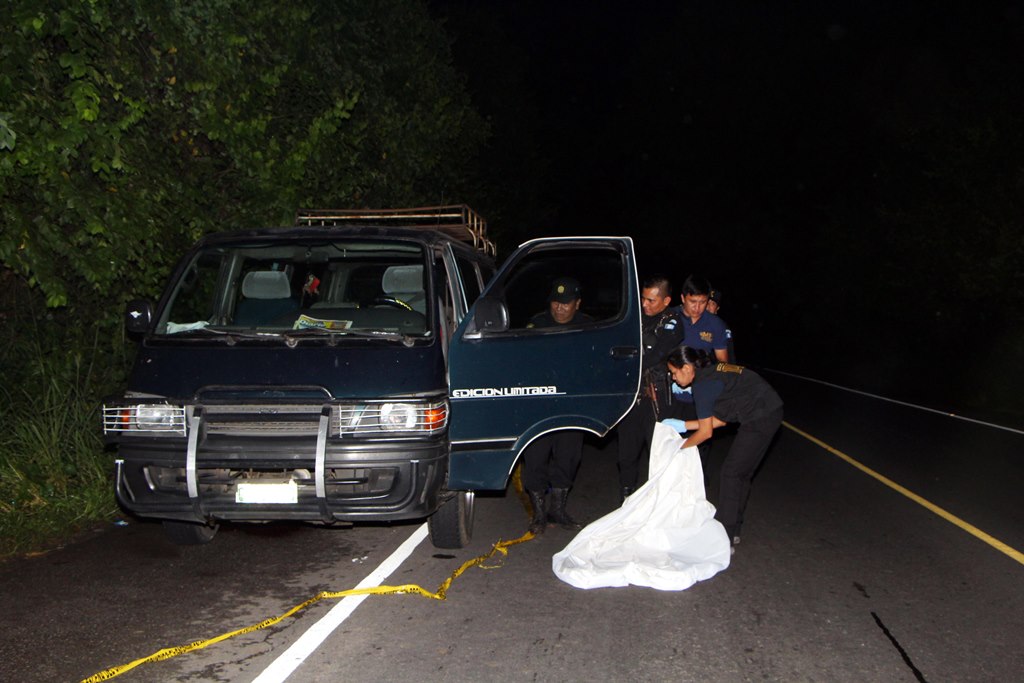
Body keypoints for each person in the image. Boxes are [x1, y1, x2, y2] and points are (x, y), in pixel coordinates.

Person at [663, 346, 783, 550]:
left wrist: (678, 447)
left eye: (674, 373)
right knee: (741, 474)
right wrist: (683, 425)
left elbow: (705, 433)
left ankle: (724, 538)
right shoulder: (711, 372)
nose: (674, 379)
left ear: (686, 368)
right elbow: (718, 421)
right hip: (770, 410)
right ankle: (734, 529)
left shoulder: (703, 385)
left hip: (760, 416)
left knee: (731, 473)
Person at [522, 276, 592, 534]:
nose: (559, 308)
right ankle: (539, 514)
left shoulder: (589, 327)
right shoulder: (536, 324)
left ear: (577, 304)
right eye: (555, 302)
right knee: (536, 457)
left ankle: (558, 510)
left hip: (572, 406)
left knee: (568, 456)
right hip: (540, 406)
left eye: (566, 303)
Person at [615, 275, 684, 501]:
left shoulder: (672, 320)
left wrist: (630, 360)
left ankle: (658, 501)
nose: (645, 304)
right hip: (632, 396)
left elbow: (657, 353)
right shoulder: (635, 316)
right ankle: (627, 498)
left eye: (651, 300)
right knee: (626, 453)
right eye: (643, 299)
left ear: (666, 301)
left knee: (658, 452)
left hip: (658, 396)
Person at [707, 287, 736, 363]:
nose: (708, 307)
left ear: (717, 309)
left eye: (713, 304)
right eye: (706, 302)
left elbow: (730, 357)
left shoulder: (722, 328)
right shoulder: (694, 323)